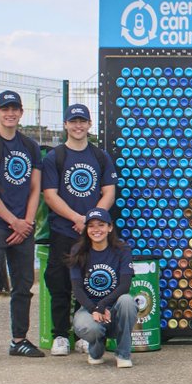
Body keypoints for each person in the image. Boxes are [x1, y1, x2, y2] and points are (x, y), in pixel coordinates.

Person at [0, 89, 45, 362]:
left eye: (15, 109)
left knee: (23, 284)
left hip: (23, 225)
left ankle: (19, 340)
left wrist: (27, 222)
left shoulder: (30, 146)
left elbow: (35, 188)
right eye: (5, 109)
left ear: (21, 112)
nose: (10, 113)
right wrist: (13, 221)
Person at [41, 103, 117, 355]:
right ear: (65, 125)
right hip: (64, 231)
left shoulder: (100, 157)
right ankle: (61, 335)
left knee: (90, 283)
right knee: (60, 284)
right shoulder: (54, 157)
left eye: (82, 121)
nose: (78, 126)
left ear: (89, 124)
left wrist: (91, 221)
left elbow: (109, 192)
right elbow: (50, 195)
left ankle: (84, 334)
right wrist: (76, 217)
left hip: (92, 235)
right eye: (73, 121)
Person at [69, 208, 138, 369]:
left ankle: (123, 354)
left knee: (127, 301)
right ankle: (96, 350)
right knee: (90, 327)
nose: (96, 230)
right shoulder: (78, 251)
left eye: (101, 225)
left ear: (110, 227)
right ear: (86, 229)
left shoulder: (122, 249)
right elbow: (77, 289)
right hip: (89, 309)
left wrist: (103, 305)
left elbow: (125, 285)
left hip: (114, 307)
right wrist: (94, 308)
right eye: (91, 226)